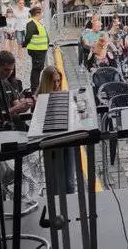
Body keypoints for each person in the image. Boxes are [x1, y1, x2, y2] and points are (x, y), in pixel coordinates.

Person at [36, 66, 77, 194]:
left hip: (67, 142)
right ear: (46, 82)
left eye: (58, 80)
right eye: (53, 81)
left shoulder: (63, 95)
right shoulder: (39, 100)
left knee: (70, 182)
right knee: (54, 183)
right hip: (51, 144)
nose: (56, 84)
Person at [0, 50, 33, 129]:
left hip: (12, 125)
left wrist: (27, 104)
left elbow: (18, 107)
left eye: (11, 70)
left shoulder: (6, 82)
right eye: (6, 69)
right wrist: (16, 108)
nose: (9, 73)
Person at [22, 6, 49, 92]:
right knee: (36, 69)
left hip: (40, 49)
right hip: (37, 50)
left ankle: (36, 87)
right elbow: (28, 36)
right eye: (41, 13)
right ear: (37, 14)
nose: (42, 15)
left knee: (38, 68)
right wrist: (25, 44)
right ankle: (34, 88)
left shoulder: (37, 22)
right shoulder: (31, 23)